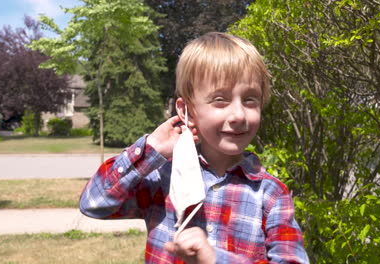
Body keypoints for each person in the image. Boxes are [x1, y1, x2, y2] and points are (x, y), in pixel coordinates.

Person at [79, 32, 309, 264]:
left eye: (250, 100)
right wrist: (152, 148)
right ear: (185, 110)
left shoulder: (270, 194)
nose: (239, 115)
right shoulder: (162, 179)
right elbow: (94, 204)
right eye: (220, 100)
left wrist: (215, 259)